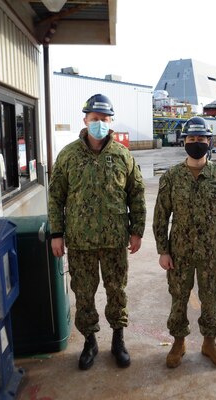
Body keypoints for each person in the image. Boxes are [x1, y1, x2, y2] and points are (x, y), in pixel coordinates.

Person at [48, 94, 146, 370]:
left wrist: (136, 230)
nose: (99, 124)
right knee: (84, 293)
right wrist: (57, 233)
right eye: (94, 120)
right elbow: (56, 197)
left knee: (117, 291)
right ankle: (90, 342)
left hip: (115, 240)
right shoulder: (68, 155)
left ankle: (118, 340)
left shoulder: (122, 155)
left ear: (110, 121)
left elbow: (136, 194)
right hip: (80, 241)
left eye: (104, 120)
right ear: (85, 120)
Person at [153, 116, 216, 368]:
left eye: (201, 138)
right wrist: (163, 250)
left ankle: (209, 342)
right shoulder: (171, 177)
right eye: (191, 139)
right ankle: (178, 342)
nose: (196, 142)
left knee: (211, 298)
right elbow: (161, 215)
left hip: (212, 251)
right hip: (179, 251)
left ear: (209, 141)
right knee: (178, 297)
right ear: (184, 142)